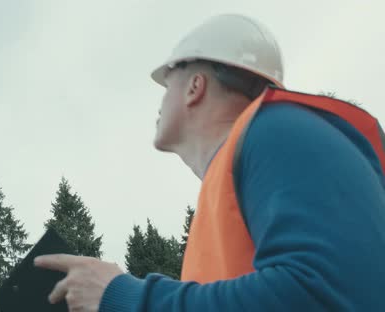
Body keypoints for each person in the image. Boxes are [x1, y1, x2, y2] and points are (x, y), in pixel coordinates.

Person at [34, 14, 385, 311]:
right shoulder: (255, 154)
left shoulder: (278, 130)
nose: (160, 100)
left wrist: (125, 296)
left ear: (194, 86)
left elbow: (320, 293)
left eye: (166, 82)